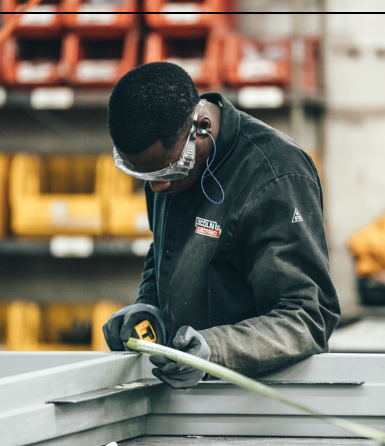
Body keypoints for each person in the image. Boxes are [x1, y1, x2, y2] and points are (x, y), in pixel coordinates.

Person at [103, 62, 340, 389]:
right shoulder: (165, 165)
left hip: (260, 404)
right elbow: (165, 248)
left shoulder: (275, 175)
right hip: (189, 397)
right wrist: (149, 307)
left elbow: (306, 318)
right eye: (148, 178)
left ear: (200, 127)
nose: (158, 189)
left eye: (169, 173)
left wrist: (217, 351)